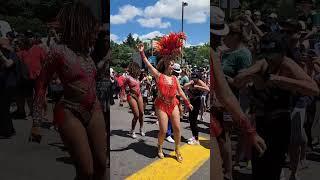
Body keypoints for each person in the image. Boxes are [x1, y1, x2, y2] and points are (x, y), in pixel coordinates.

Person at [30, 2, 106, 179]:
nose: (96, 37)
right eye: (93, 33)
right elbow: (41, 85)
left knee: (101, 166)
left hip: (94, 109)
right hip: (70, 111)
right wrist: (36, 122)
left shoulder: (87, 53)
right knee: (86, 171)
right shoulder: (58, 52)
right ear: (80, 28)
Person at [233, 32, 319, 180]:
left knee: (273, 168)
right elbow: (238, 80)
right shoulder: (263, 62)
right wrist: (250, 75)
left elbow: (314, 89)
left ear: (281, 52)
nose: (269, 59)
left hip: (280, 124)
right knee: (259, 168)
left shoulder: (287, 64)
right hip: (260, 124)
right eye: (266, 54)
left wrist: (281, 80)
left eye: (272, 55)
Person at [210, 6, 267, 180]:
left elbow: (228, 93)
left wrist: (249, 131)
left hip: (227, 107)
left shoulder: (218, 53)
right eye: (216, 36)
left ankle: (229, 170)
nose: (220, 40)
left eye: (221, 36)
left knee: (225, 139)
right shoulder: (214, 53)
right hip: (216, 113)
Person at [137, 32, 193, 162]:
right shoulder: (158, 75)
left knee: (177, 128)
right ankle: (160, 147)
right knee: (162, 130)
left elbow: (180, 92)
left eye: (172, 61)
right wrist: (142, 53)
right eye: (168, 60)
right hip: (161, 105)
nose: (171, 62)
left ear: (173, 66)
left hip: (173, 104)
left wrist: (187, 102)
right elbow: (148, 64)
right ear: (165, 62)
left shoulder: (175, 78)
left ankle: (177, 149)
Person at [184, 71, 210, 145]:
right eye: (192, 77)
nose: (193, 79)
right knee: (191, 120)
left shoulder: (199, 82)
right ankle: (194, 136)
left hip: (197, 101)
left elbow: (208, 89)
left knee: (194, 120)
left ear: (198, 77)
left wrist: (198, 87)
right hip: (191, 101)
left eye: (195, 77)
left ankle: (196, 138)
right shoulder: (191, 82)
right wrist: (190, 83)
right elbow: (184, 86)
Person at [124, 62, 145, 138]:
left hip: (139, 96)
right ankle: (132, 130)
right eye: (137, 69)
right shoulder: (128, 78)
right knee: (136, 115)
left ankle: (141, 129)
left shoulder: (138, 77)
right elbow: (123, 87)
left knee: (141, 113)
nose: (138, 71)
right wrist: (123, 96)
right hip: (131, 96)